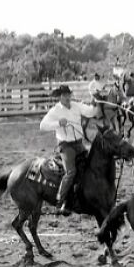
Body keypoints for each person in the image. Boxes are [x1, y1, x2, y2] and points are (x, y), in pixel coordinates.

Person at [40, 85, 101, 216]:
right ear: (60, 97)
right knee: (71, 172)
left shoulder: (76, 106)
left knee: (90, 166)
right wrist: (57, 124)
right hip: (65, 145)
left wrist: (94, 104)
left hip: (79, 143)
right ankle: (59, 201)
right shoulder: (55, 111)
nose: (67, 97)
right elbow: (43, 125)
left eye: (68, 95)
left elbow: (91, 112)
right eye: (64, 95)